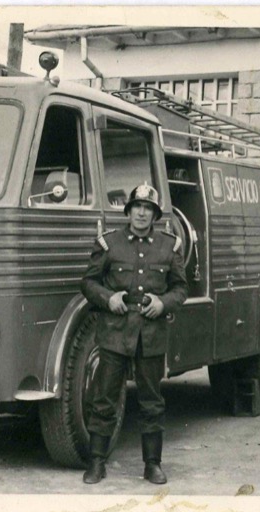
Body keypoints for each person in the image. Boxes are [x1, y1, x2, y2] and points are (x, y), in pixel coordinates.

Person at [80, 183, 188, 485]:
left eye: (148, 209)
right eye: (137, 207)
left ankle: (152, 464)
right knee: (104, 398)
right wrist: (108, 298)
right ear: (128, 211)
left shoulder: (169, 246)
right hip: (115, 332)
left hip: (150, 335)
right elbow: (88, 282)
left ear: (155, 215)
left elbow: (181, 288)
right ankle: (97, 462)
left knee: (151, 401)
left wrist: (163, 303)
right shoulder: (109, 243)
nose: (142, 213)